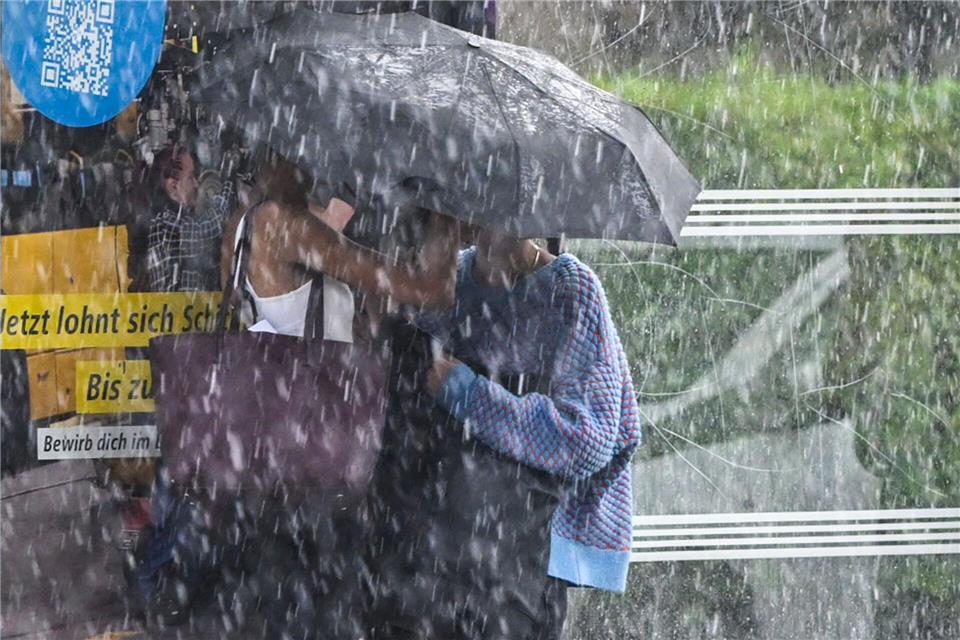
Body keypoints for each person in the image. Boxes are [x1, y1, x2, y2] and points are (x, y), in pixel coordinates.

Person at [364, 227, 640, 639]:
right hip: (423, 562)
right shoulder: (444, 284)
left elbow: (589, 440)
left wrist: (473, 397)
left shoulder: (570, 290)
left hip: (516, 569)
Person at [145, 144, 234, 293]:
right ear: (174, 187)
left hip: (189, 313)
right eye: (191, 177)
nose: (196, 184)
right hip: (174, 314)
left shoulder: (176, 220)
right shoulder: (165, 225)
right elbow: (211, 226)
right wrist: (229, 180)